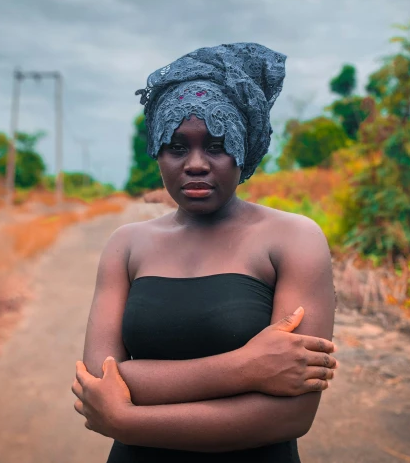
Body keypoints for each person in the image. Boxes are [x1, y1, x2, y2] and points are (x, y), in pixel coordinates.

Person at [71, 43, 338, 462]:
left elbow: (290, 416)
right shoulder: (127, 244)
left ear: (244, 150)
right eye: (177, 147)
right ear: (157, 153)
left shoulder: (293, 239)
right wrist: (249, 367)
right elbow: (97, 381)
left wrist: (125, 421)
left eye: (216, 145)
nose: (195, 163)